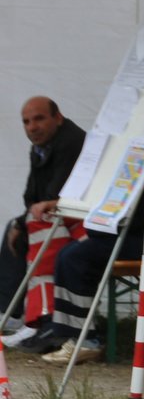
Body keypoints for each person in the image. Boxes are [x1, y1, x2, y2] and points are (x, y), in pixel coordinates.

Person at [19, 127, 144, 364]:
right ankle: (71, 333)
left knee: (76, 257)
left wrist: (101, 228)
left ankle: (84, 340)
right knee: (71, 254)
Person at [0, 97, 86, 338]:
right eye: (26, 122)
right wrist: (24, 218)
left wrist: (23, 220)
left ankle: (29, 315)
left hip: (76, 222)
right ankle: (15, 311)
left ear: (57, 118)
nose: (32, 127)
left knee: (22, 229)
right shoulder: (41, 146)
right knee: (17, 228)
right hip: (56, 216)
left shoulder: (70, 142)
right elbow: (31, 195)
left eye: (39, 119)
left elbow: (55, 195)